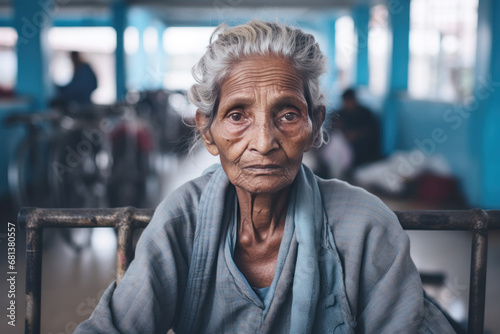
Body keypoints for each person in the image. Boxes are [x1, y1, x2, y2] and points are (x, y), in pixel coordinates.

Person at [75, 20, 455, 333]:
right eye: (238, 115)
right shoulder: (182, 221)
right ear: (208, 131)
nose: (263, 142)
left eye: (287, 114)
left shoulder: (365, 226)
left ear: (315, 125)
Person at [335, 88, 381, 167]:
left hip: (364, 151)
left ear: (354, 100)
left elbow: (372, 132)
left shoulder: (365, 114)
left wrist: (356, 134)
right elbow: (331, 128)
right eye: (345, 101)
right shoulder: (340, 114)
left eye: (349, 101)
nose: (347, 104)